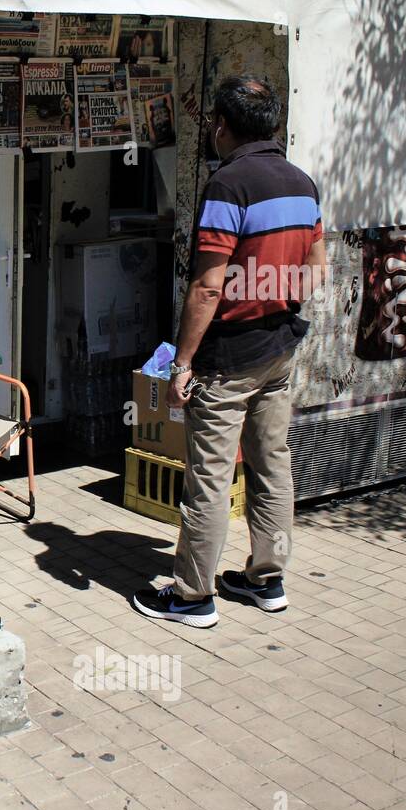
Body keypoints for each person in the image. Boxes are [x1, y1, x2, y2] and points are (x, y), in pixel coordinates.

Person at [132, 74, 327, 629]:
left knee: (210, 478)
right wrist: (275, 298)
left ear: (220, 125)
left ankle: (193, 595)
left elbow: (208, 288)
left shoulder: (228, 187)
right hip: (279, 349)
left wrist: (183, 363)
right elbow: (317, 271)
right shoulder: (301, 183)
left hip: (227, 360)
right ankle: (266, 579)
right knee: (272, 465)